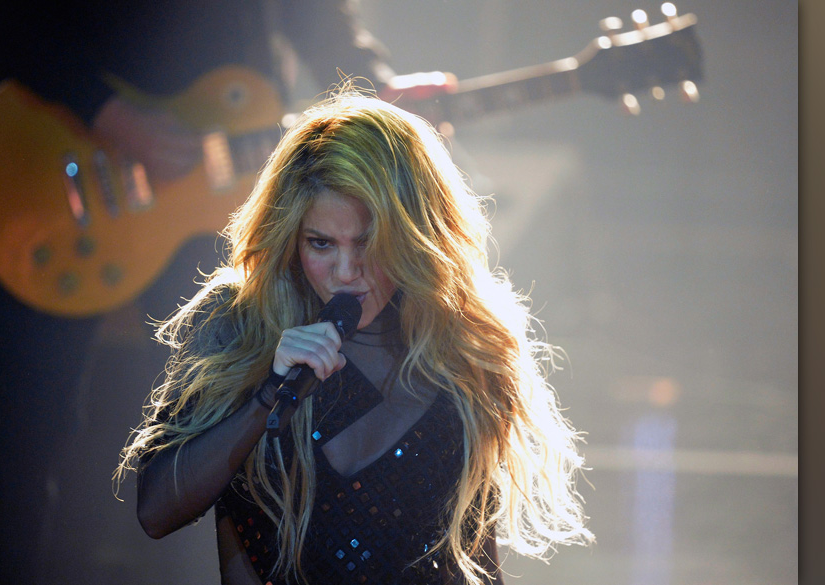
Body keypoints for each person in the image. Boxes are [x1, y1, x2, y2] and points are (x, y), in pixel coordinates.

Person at [0, 2, 421, 584]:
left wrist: (377, 93)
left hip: (208, 193)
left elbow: (315, 16)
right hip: (54, 153)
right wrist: (109, 113)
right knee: (22, 432)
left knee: (210, 426)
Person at [115, 90, 594, 585]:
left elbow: (474, 558)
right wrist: (268, 398)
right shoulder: (241, 324)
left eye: (369, 243)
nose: (347, 272)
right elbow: (156, 512)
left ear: (413, 233)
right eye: (321, 244)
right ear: (290, 235)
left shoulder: (462, 347)